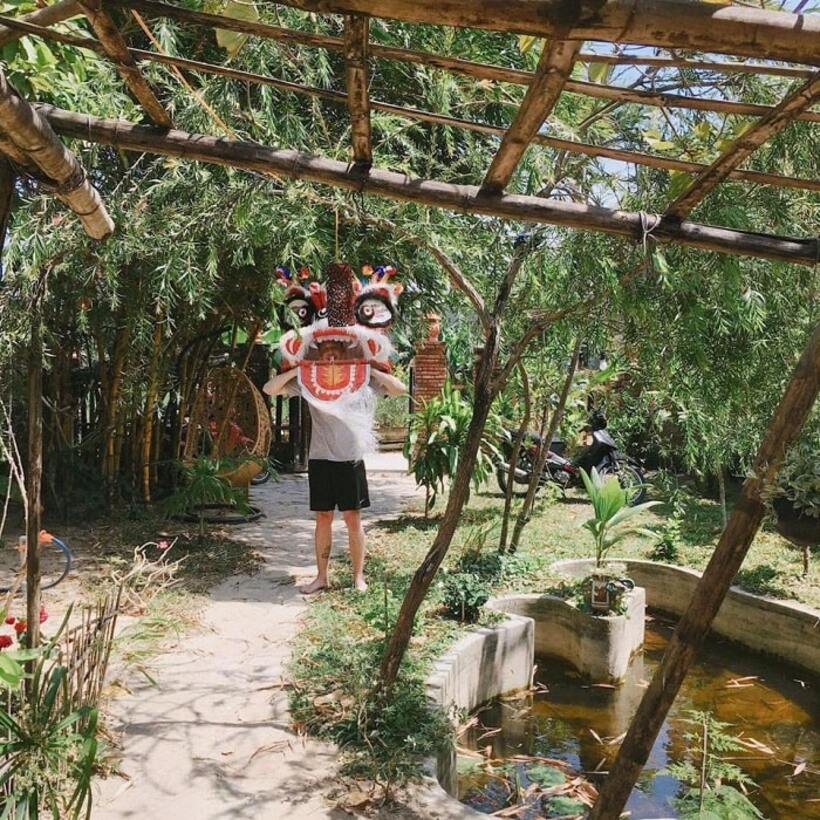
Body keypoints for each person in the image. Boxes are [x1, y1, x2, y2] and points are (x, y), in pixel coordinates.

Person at [265, 348, 405, 594]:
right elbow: (270, 389)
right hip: (320, 458)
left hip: (350, 458)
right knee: (323, 517)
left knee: (352, 518)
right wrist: (300, 371)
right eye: (326, 354)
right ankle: (321, 577)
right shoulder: (311, 381)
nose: (331, 359)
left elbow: (399, 389)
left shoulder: (362, 380)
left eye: (337, 354)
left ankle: (358, 577)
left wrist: (369, 370)